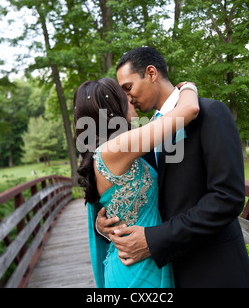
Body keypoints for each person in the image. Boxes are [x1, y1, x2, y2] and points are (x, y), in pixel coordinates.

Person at [97, 47, 249, 288]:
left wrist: (154, 240)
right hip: (167, 274)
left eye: (128, 87)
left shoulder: (212, 114)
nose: (127, 98)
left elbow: (227, 198)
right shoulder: (149, 132)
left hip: (214, 270)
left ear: (151, 73)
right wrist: (105, 224)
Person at [73, 77, 199, 287]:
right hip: (136, 269)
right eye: (126, 96)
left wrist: (100, 226)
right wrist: (188, 87)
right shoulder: (116, 148)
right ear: (114, 107)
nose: (132, 99)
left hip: (138, 259)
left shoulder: (114, 150)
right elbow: (190, 109)